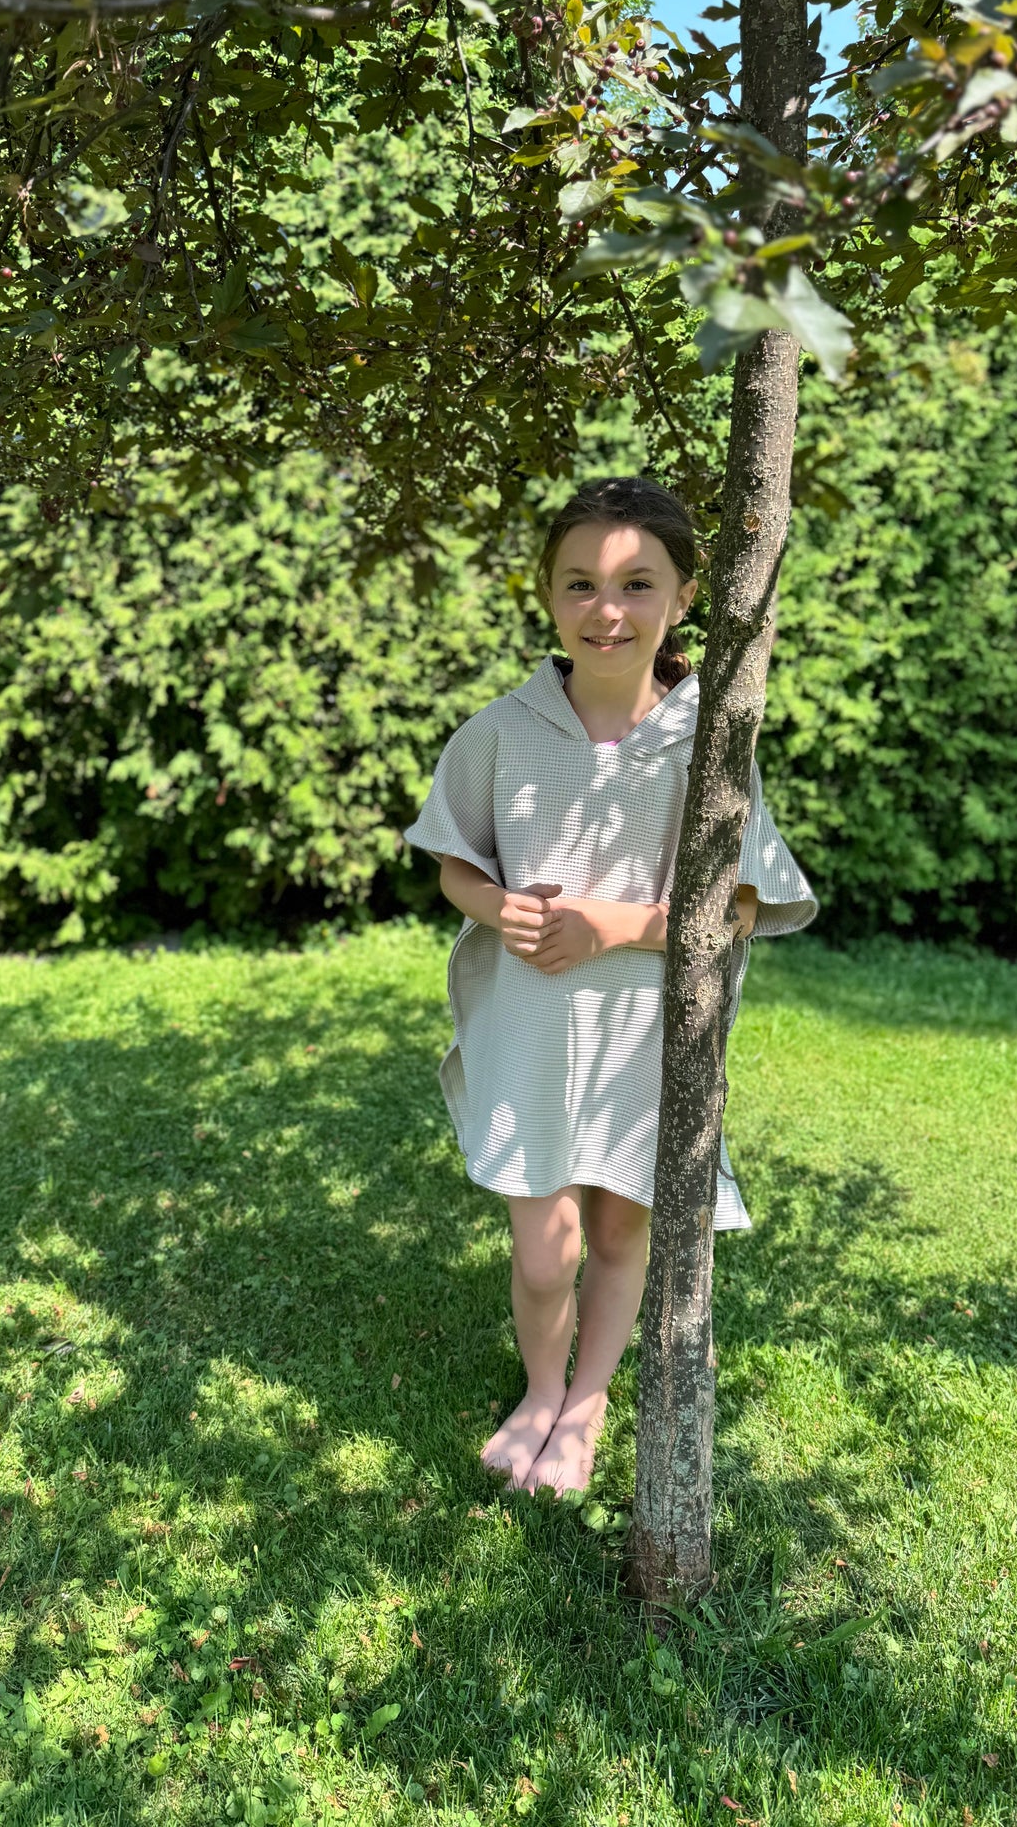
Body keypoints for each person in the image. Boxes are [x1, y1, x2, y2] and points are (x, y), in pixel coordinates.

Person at [403, 476, 817, 1497]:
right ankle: (539, 1389)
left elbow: (736, 905)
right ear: (546, 593)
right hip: (529, 1023)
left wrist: (611, 928)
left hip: (644, 1027)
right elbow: (453, 861)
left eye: (637, 583)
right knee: (544, 1252)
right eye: (580, 583)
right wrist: (504, 911)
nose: (607, 609)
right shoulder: (500, 731)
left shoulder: (707, 744)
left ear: (681, 598)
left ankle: (583, 1408)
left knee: (620, 1227)